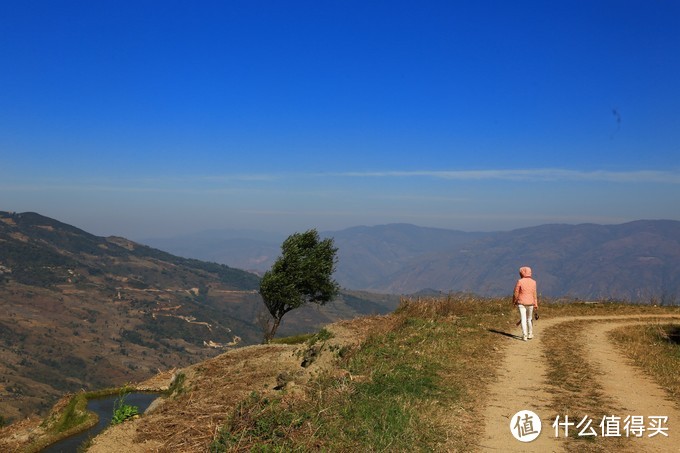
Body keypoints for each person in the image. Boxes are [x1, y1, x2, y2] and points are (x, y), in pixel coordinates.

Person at [513, 266, 538, 341]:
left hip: (521, 303)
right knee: (529, 319)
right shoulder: (534, 282)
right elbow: (534, 294)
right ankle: (530, 334)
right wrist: (536, 304)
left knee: (523, 319)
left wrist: (514, 301)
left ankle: (524, 335)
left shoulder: (520, 281)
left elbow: (516, 293)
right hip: (531, 303)